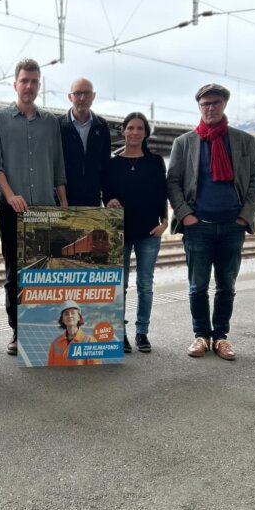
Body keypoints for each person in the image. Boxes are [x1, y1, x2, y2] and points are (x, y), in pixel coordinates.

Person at [167, 83, 255, 360]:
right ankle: (201, 335)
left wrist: (245, 216)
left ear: (224, 105)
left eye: (215, 103)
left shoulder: (243, 141)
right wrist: (186, 215)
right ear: (199, 107)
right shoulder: (184, 143)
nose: (210, 108)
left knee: (226, 286)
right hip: (198, 227)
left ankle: (221, 337)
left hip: (233, 226)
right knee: (197, 286)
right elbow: (173, 182)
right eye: (205, 104)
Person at [0, 58, 67, 355]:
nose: (29, 86)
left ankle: (42, 328)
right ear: (15, 84)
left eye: (34, 81)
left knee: (45, 273)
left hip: (46, 209)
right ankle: (17, 331)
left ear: (39, 85)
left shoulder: (51, 122)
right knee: (14, 273)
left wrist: (64, 206)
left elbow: (58, 167)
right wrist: (10, 195)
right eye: (24, 81)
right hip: (13, 210)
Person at [104, 112, 168, 355]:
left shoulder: (155, 161)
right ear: (123, 131)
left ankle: (142, 331)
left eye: (140, 128)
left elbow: (162, 193)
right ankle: (119, 332)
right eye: (130, 127)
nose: (134, 132)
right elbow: (106, 194)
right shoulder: (112, 163)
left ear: (146, 133)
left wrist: (165, 222)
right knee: (119, 285)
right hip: (119, 232)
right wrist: (109, 202)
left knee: (145, 284)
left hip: (149, 232)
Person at [58, 78, 112, 206]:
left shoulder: (102, 126)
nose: (82, 98)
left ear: (93, 96)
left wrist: (108, 198)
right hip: (63, 200)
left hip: (92, 200)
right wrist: (61, 199)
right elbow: (53, 164)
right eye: (77, 93)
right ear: (70, 97)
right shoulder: (58, 125)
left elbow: (105, 164)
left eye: (87, 93)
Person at [47, 301, 100, 366]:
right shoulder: (55, 343)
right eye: (66, 314)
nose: (70, 316)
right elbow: (50, 367)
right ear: (62, 319)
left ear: (78, 317)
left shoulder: (90, 341)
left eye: (73, 313)